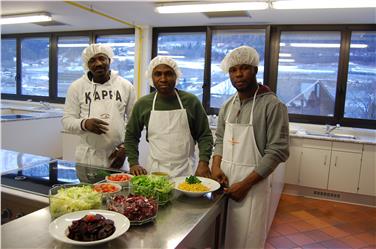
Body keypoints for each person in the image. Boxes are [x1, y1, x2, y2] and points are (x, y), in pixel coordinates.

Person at [211, 46, 289, 249]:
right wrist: (216, 166)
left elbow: (277, 151)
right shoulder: (228, 105)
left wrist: (244, 184)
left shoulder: (273, 105)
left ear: (255, 69)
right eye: (233, 70)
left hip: (253, 187)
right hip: (225, 184)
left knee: (248, 240)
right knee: (223, 237)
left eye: (244, 68)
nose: (238, 74)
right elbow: (219, 139)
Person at [124, 56, 213, 178]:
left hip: (186, 170)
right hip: (155, 170)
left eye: (168, 74)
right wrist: (133, 163)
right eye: (158, 74)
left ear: (176, 76)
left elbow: (204, 135)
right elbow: (131, 136)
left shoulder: (191, 101)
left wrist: (204, 162)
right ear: (151, 77)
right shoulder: (143, 104)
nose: (163, 79)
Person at [62, 44, 136, 169]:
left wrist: (125, 148)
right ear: (87, 65)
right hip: (88, 156)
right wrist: (84, 124)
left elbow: (134, 122)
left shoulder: (126, 86)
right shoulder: (76, 87)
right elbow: (67, 121)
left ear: (109, 60)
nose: (98, 63)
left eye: (102, 58)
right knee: (86, 188)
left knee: (120, 188)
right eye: (92, 60)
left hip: (117, 155)